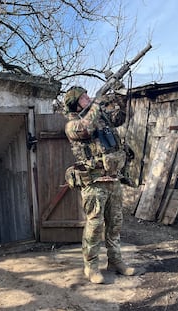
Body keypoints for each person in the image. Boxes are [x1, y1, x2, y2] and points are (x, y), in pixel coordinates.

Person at [63, 86, 136, 284]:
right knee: (95, 226)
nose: (89, 98)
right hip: (94, 182)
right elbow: (87, 127)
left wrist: (121, 97)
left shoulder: (101, 118)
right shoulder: (73, 125)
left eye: (89, 95)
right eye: (84, 97)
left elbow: (120, 118)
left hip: (113, 180)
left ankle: (115, 261)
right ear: (76, 103)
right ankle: (91, 266)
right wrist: (97, 102)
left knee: (115, 224)